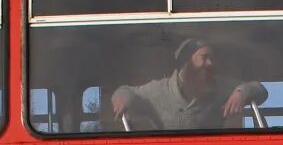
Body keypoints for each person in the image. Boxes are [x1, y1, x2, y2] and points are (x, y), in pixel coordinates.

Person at [109, 38, 268, 131]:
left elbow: (259, 89)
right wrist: (123, 98)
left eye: (212, 58)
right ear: (186, 60)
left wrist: (242, 92)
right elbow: (125, 90)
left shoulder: (220, 86)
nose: (210, 63)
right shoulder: (159, 90)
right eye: (204, 57)